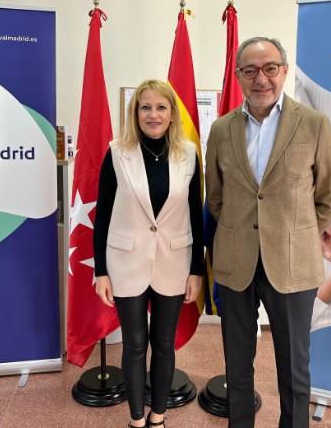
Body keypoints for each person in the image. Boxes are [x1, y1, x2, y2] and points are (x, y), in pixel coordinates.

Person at [206, 37, 331, 428]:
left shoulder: (313, 124)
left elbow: (328, 197)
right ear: (238, 76)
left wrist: (294, 235)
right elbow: (216, 197)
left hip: (293, 264)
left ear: (283, 71)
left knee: (295, 368)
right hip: (236, 261)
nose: (260, 78)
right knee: (237, 365)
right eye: (250, 70)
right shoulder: (221, 129)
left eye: (269, 68)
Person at [93, 79, 204, 428]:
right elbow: (102, 215)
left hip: (174, 261)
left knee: (164, 344)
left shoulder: (189, 153)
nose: (152, 114)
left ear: (171, 114)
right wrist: (100, 271)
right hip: (126, 262)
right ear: (135, 113)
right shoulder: (117, 152)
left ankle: (158, 416)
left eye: (160, 107)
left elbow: (195, 213)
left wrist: (197, 270)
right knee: (135, 345)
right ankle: (137, 419)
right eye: (145, 107)